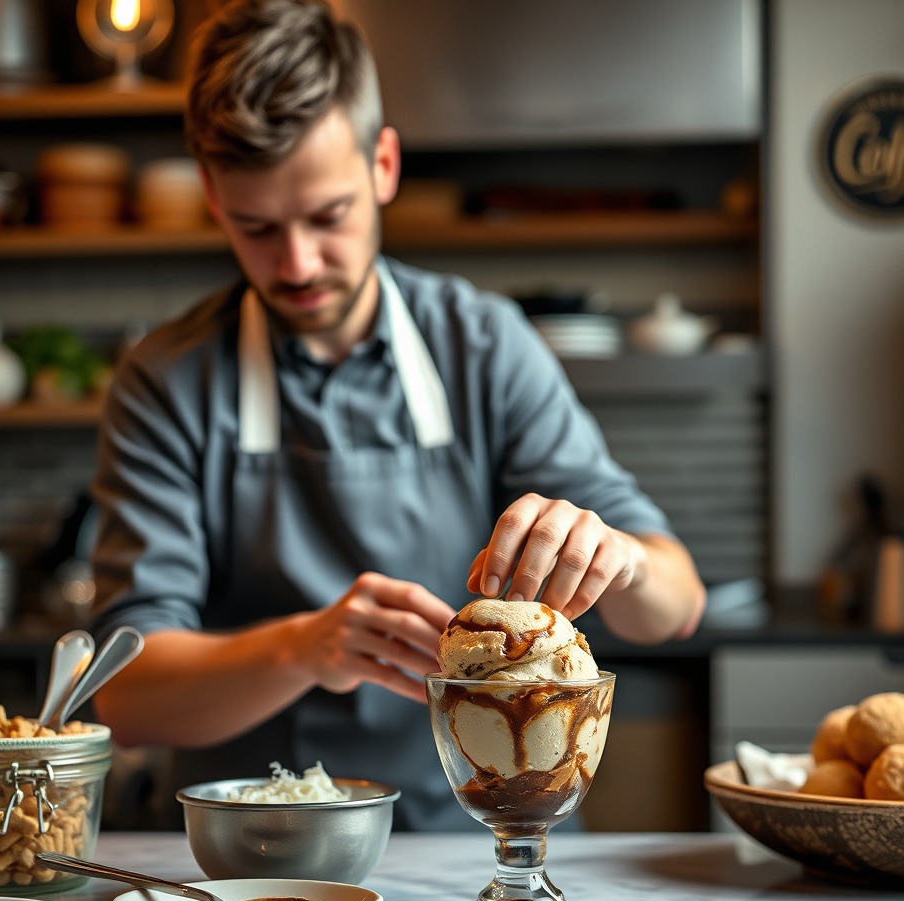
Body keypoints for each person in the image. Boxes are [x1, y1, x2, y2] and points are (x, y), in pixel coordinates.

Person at [89, 0, 706, 830]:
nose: (298, 262)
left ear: (383, 164)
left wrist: (620, 557)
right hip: (257, 855)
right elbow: (125, 698)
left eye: (328, 215)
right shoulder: (166, 381)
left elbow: (677, 602)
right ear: (210, 195)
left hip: (475, 843)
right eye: (257, 226)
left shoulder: (484, 346)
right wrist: (306, 646)